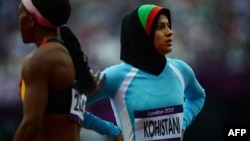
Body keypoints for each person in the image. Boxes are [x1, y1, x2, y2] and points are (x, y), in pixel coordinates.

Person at [85, 4, 206, 141]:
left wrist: (182, 125)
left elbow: (198, 96)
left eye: (168, 25)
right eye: (160, 27)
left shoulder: (180, 70)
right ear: (141, 33)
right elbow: (69, 103)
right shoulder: (117, 76)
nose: (170, 32)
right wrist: (111, 131)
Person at [14, 0, 122, 141]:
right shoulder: (65, 56)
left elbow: (31, 124)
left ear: (32, 19)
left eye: (21, 12)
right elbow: (69, 114)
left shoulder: (40, 60)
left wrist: (111, 130)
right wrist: (110, 130)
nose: (19, 19)